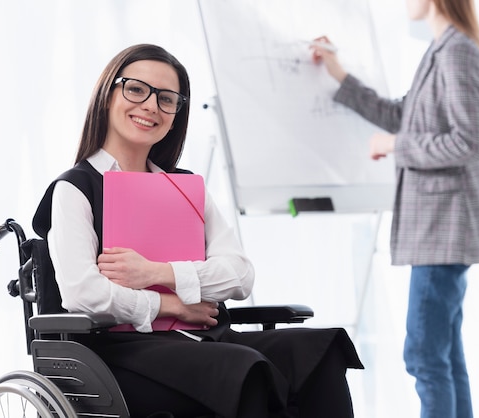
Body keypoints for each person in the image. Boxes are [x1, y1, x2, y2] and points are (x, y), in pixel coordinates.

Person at [32, 43, 363, 418]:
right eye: (137, 90)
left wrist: (157, 273)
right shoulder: (75, 188)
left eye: (167, 99)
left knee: (319, 349)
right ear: (108, 95)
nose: (151, 106)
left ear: (176, 115)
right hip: (121, 354)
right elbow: (83, 294)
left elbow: (239, 275)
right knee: (242, 368)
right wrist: (172, 305)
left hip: (206, 339)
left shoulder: (186, 188)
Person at [310, 1, 479, 417]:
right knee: (443, 356)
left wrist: (395, 145)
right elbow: (401, 114)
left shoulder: (458, 50)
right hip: (439, 229)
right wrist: (338, 73)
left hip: (443, 230)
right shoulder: (442, 49)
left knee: (424, 356)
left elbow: (465, 142)